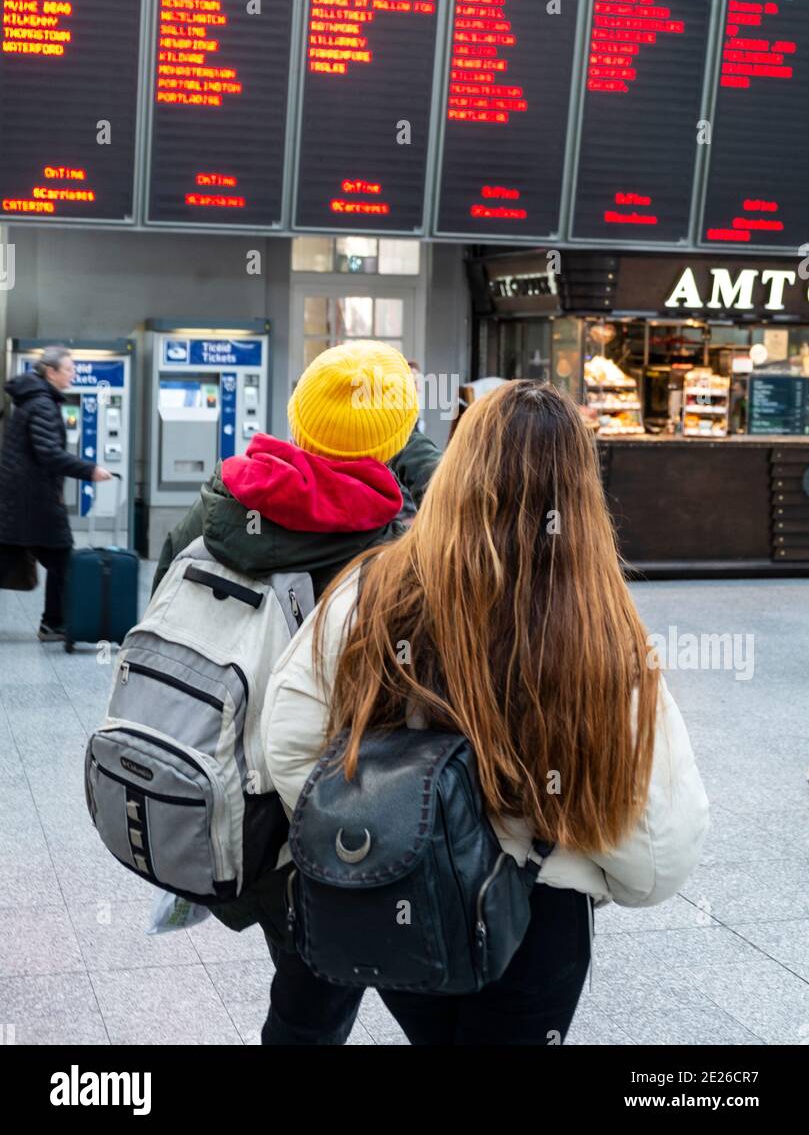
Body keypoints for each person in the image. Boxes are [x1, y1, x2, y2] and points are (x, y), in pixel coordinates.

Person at [264, 380, 709, 1047]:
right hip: (537, 920)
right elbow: (653, 851)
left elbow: (291, 744)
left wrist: (394, 837)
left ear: (454, 467)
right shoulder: (601, 631)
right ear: (581, 491)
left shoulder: (370, 588)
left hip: (400, 899)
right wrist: (557, 862)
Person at [152, 340, 441, 1045]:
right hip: (337, 813)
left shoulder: (220, 502)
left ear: (298, 418)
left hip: (230, 799)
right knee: (358, 986)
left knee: (310, 985)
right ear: (398, 439)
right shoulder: (396, 549)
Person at [0, 345, 111, 641]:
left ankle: (54, 622)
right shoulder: (42, 405)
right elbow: (49, 453)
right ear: (51, 372)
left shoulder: (35, 400)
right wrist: (89, 470)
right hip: (33, 502)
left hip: (22, 499)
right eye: (69, 369)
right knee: (62, 559)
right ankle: (53, 623)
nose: (73, 374)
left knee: (36, 558)